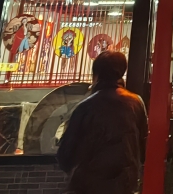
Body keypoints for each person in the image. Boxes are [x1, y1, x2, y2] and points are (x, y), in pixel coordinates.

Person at [57, 51, 148, 194]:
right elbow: (143, 150)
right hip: (125, 186)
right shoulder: (136, 103)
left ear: (96, 74)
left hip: (89, 187)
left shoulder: (85, 107)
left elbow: (65, 156)